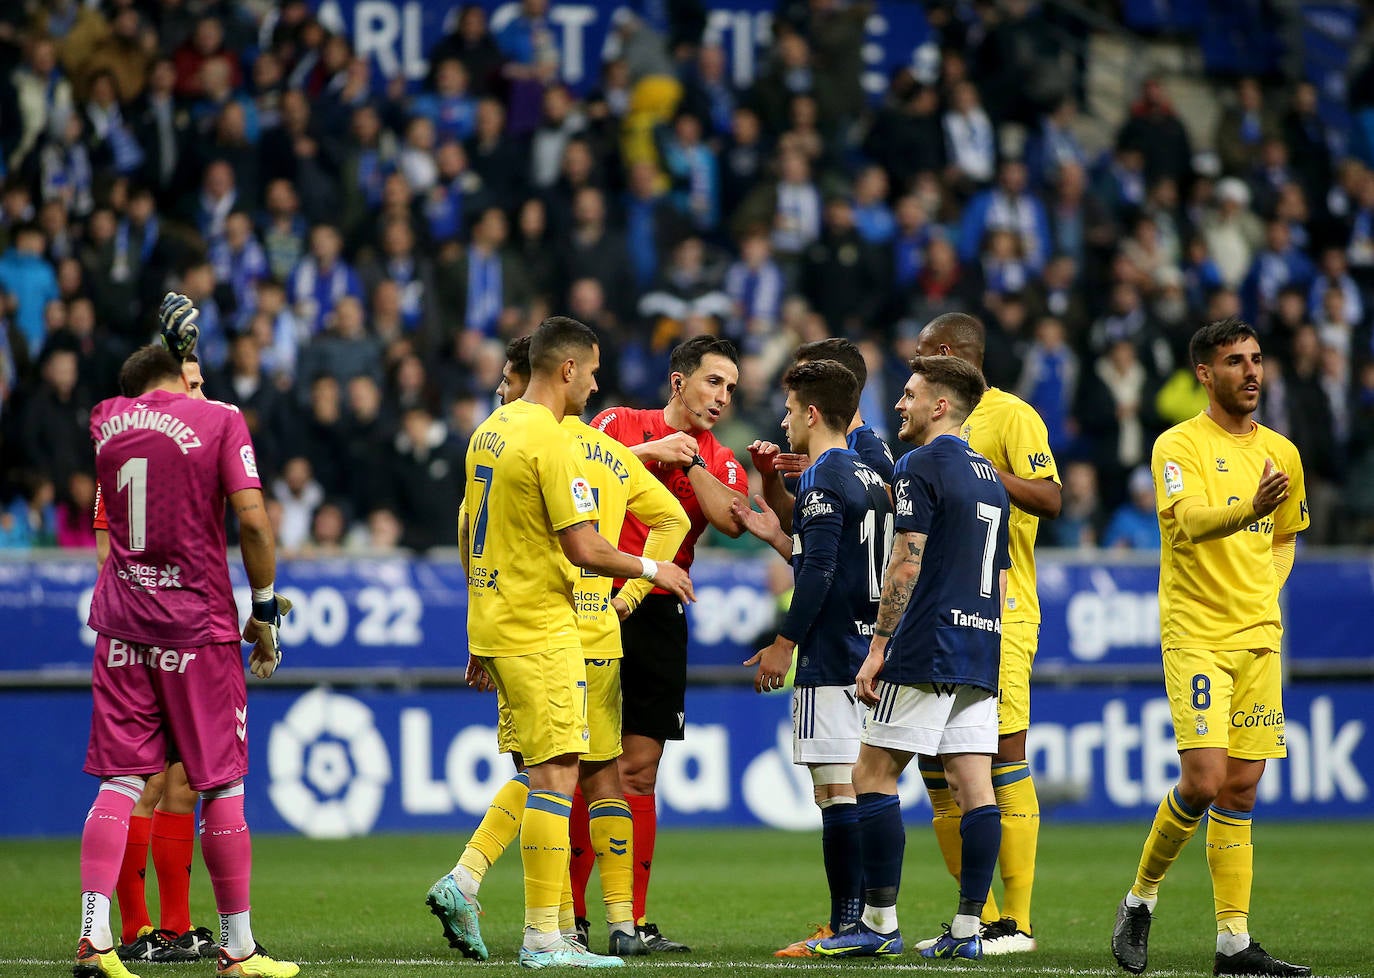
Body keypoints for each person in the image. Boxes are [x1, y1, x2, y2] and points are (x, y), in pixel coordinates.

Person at [426, 335, 688, 959]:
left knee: (546, 770)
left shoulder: (489, 430)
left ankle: (480, 887)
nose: (596, 386)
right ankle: (548, 935)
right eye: (592, 373)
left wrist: (476, 629)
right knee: (560, 776)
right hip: (545, 625)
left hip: (496, 620)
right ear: (567, 370)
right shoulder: (554, 440)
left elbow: (469, 532)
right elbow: (586, 547)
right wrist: (651, 576)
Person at [75, 294, 298, 978]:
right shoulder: (222, 421)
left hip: (121, 623)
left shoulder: (106, 421)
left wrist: (168, 349)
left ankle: (95, 938)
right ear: (181, 367)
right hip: (195, 627)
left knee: (120, 782)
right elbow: (254, 525)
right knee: (222, 785)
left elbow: (113, 516)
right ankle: (237, 949)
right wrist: (262, 610)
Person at [1111, 319, 1310, 978]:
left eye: (1257, 359)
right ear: (1205, 372)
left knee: (1243, 790)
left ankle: (1233, 943)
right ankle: (1140, 898)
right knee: (1203, 780)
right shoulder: (1177, 445)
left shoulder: (1283, 451)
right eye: (1235, 362)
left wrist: (1264, 585)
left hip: (1257, 635)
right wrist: (1248, 509)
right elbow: (1188, 522)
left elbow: (1285, 536)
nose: (1251, 372)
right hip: (1195, 632)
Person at [810, 354, 1010, 961]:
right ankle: (970, 931)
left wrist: (877, 650)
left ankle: (878, 922)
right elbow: (1002, 578)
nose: (900, 404)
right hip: (981, 645)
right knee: (975, 787)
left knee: (870, 775)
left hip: (927, 645)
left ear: (939, 405)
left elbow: (906, 559)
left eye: (910, 394)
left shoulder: (919, 465)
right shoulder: (991, 477)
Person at [582, 335, 748, 952]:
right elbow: (579, 465)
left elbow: (731, 520)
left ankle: (633, 923)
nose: (722, 397)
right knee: (580, 765)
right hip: (596, 596)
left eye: (730, 388)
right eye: (713, 382)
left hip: (659, 610)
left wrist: (691, 462)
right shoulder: (619, 422)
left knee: (639, 770)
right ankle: (572, 919)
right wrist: (652, 449)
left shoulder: (720, 458)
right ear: (679, 382)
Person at [729, 359, 893, 957]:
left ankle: (848, 923)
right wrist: (779, 536)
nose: (786, 418)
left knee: (836, 791)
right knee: (857, 785)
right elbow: (835, 554)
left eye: (792, 408)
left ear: (813, 412)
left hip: (831, 655)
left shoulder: (825, 472)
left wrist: (783, 644)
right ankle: (871, 919)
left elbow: (820, 571)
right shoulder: (874, 475)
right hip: (868, 645)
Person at [910, 312, 1061, 953]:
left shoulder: (1012, 416)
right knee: (934, 765)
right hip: (937, 614)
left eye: (921, 356)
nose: (910, 366)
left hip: (1004, 609)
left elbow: (1051, 498)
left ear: (947, 355)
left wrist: (980, 473)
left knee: (1002, 756)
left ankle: (1017, 923)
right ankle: (981, 919)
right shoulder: (925, 427)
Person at [95, 350, 218, 966]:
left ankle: (173, 928)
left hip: (188, 632)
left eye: (200, 383)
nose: (197, 393)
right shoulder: (132, 450)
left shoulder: (205, 443)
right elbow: (104, 553)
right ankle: (136, 930)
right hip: (149, 635)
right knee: (141, 782)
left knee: (185, 783)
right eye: (187, 383)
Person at [753, 338, 895, 538]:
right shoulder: (825, 455)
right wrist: (770, 478)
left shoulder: (869, 453)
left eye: (806, 378)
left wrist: (833, 473)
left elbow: (864, 546)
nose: (795, 388)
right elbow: (800, 526)